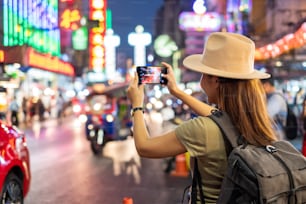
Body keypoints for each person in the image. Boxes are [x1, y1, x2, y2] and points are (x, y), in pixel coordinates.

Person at [127, 32, 277, 203]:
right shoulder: (256, 122)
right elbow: (218, 117)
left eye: (204, 73)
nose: (201, 80)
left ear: (216, 81)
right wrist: (176, 92)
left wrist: (137, 105)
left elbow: (144, 147)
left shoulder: (201, 129)